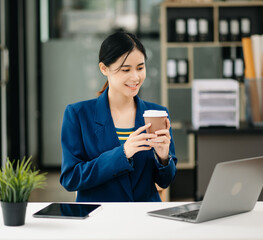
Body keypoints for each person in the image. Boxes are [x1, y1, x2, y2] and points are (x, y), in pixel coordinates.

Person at [60, 31, 177, 202]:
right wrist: (122, 154)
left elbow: (165, 181)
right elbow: (71, 178)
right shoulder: (78, 115)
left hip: (145, 220)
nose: (135, 77)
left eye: (140, 67)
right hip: (100, 219)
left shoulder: (157, 114)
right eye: (126, 69)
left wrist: (164, 158)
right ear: (104, 69)